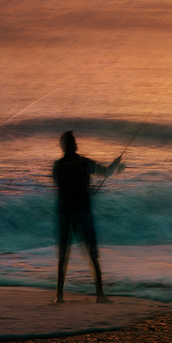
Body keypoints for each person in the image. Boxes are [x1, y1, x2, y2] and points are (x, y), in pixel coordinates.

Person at [52, 130, 124, 303]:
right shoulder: (85, 163)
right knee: (92, 254)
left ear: (63, 146)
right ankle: (100, 294)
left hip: (65, 213)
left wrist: (83, 190)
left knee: (63, 255)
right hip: (83, 211)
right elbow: (106, 173)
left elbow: (61, 189)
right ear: (75, 145)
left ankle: (59, 296)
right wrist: (116, 165)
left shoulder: (58, 165)